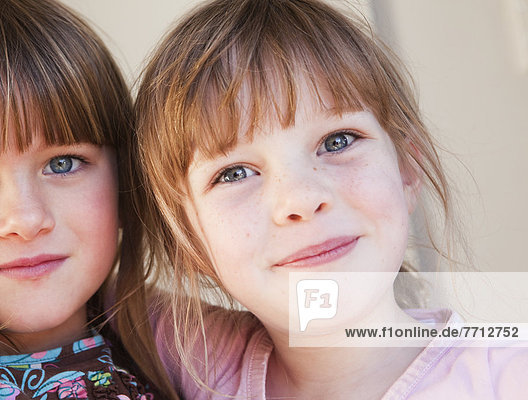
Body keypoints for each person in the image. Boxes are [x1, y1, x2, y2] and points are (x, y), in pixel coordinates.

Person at [134, 0, 528, 398]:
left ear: (407, 169)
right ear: (186, 238)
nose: (301, 199)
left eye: (337, 142)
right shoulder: (202, 365)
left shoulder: (510, 379)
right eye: (234, 173)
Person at [0, 0, 178, 399]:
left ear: (129, 176)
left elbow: (315, 349)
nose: (26, 220)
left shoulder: (193, 346)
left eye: (62, 164)